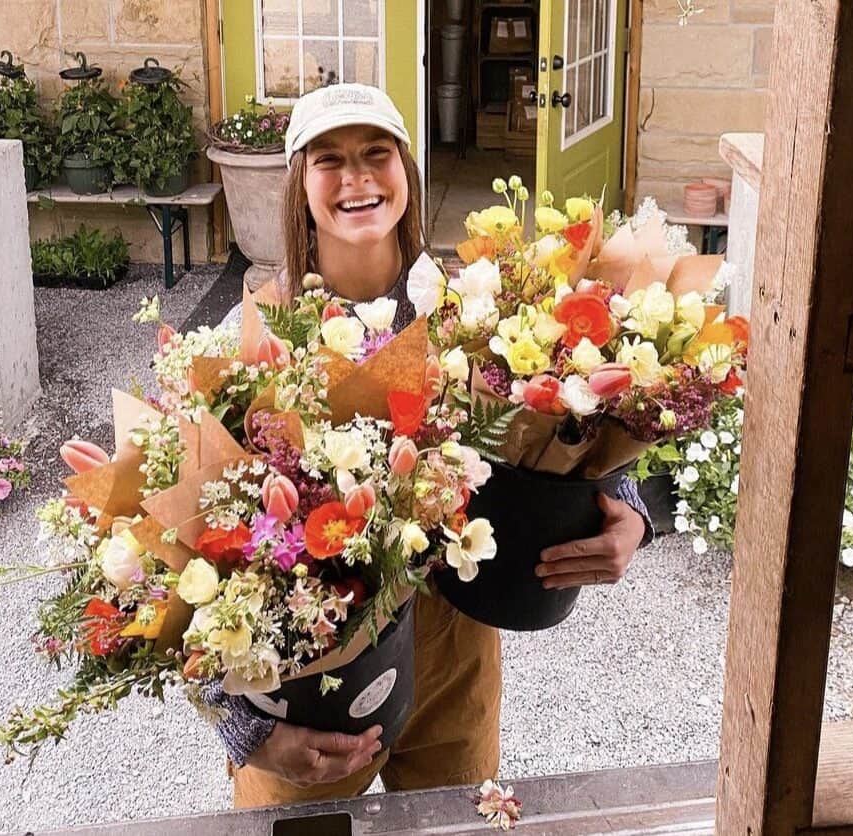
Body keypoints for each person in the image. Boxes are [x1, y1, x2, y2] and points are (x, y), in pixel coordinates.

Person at [208, 83, 654, 808]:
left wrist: (624, 504)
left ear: (406, 177)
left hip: (458, 654)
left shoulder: (476, 314)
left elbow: (564, 418)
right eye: (330, 159)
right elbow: (185, 553)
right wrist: (246, 732)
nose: (356, 176)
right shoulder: (252, 336)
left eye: (375, 154)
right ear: (300, 185)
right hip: (307, 691)